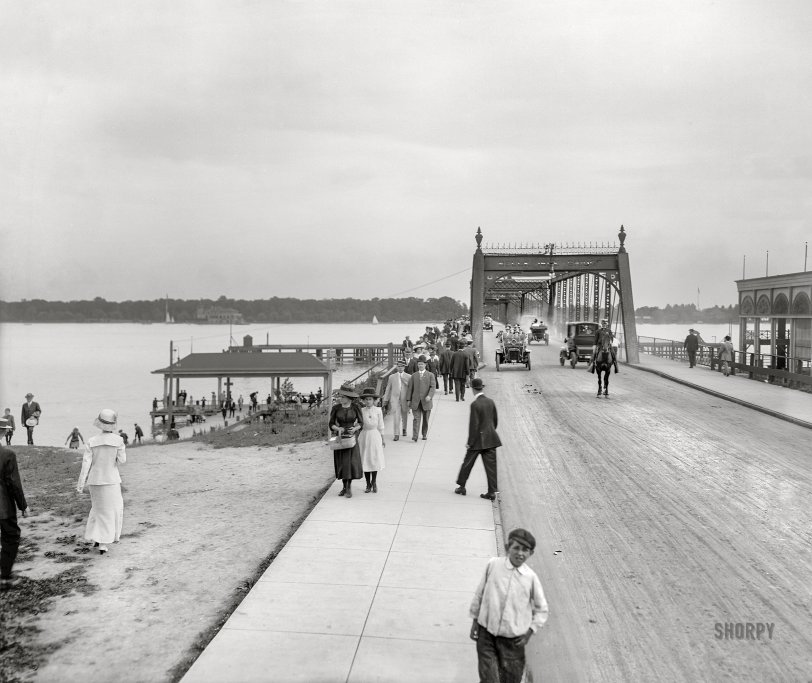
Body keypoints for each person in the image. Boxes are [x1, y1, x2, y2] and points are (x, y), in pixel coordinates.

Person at [469, 528, 549, 683]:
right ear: (507, 548)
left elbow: (542, 610)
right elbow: (480, 593)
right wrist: (474, 621)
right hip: (487, 634)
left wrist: (529, 632)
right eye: (516, 548)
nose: (520, 553)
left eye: (525, 550)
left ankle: (520, 674)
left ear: (530, 553)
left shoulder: (530, 578)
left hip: (513, 641)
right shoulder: (493, 565)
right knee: (489, 679)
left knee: (510, 680)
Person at [76, 409, 126, 555]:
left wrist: (80, 485)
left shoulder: (92, 441)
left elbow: (86, 464)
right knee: (112, 510)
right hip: (111, 480)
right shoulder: (118, 440)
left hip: (95, 480)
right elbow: (122, 461)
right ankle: (103, 543)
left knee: (98, 509)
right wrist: (114, 458)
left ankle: (96, 538)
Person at [455, 378, 502, 500]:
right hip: (491, 439)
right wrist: (490, 432)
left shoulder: (475, 404)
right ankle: (492, 492)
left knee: (467, 464)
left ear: (473, 389)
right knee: (491, 468)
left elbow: (474, 425)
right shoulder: (490, 402)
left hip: (477, 441)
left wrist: (470, 443)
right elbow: (495, 421)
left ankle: (462, 486)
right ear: (482, 388)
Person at [0, 433, 29, 589]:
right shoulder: (7, 454)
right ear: (3, 433)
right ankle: (4, 577)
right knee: (11, 537)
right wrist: (23, 505)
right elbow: (13, 483)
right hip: (3, 506)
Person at [328, 386, 364, 498]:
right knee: (342, 462)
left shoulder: (355, 407)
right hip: (340, 435)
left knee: (350, 462)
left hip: (352, 436)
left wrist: (355, 429)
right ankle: (344, 486)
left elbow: (361, 423)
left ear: (348, 398)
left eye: (342, 397)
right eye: (340, 396)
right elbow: (331, 424)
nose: (340, 398)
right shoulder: (336, 408)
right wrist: (338, 429)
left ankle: (348, 487)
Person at [357, 388, 385, 493]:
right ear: (363, 401)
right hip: (364, 436)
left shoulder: (378, 410)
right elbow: (358, 423)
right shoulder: (361, 411)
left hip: (374, 435)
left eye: (370, 399)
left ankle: (374, 482)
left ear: (374, 400)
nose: (368, 401)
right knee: (366, 459)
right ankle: (367, 484)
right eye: (366, 399)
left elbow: (381, 425)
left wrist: (382, 438)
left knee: (374, 459)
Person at [406, 355, 436, 441]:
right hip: (416, 401)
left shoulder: (430, 375)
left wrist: (429, 396)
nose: (420, 366)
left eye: (422, 364)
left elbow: (432, 387)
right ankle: (415, 436)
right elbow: (410, 388)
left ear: (425, 365)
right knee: (416, 419)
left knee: (425, 419)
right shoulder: (414, 375)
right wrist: (408, 399)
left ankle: (424, 434)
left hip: (426, 401)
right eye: (419, 364)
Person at [382, 359, 410, 440]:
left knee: (405, 416)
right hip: (395, 400)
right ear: (397, 367)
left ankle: (404, 428)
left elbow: (411, 388)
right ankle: (396, 434)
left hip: (405, 399)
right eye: (399, 366)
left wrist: (410, 400)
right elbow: (388, 388)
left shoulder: (409, 377)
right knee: (396, 417)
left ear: (404, 367)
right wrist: (385, 399)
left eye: (402, 366)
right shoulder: (392, 377)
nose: (400, 368)